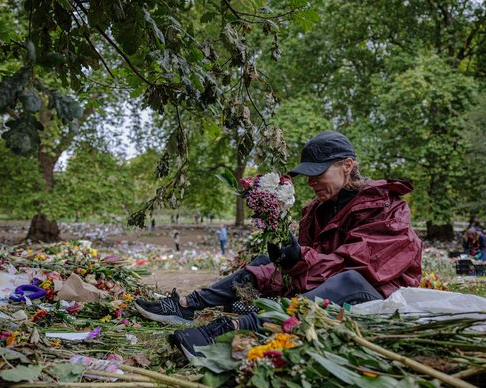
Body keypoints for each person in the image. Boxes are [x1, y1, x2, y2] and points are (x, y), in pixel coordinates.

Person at [134, 131, 422, 357]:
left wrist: (301, 258)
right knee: (265, 264)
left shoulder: (387, 206)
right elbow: (310, 265)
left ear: (347, 166)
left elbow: (362, 265)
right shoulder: (314, 211)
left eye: (317, 173)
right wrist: (288, 257)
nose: (311, 182)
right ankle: (187, 305)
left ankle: (232, 329)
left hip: (373, 293)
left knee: (349, 280)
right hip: (322, 287)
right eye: (308, 176)